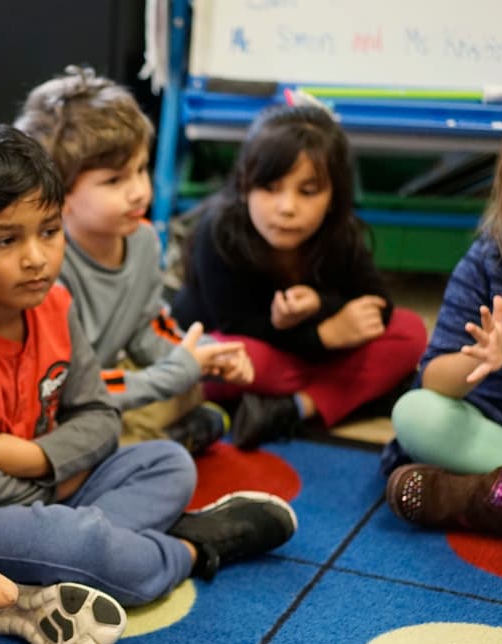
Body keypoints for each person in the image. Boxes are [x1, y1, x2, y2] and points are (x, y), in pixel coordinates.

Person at [0, 124, 298, 644]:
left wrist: (39, 459)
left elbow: (99, 417)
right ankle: (192, 544)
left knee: (169, 462)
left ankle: (72, 558)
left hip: (42, 491)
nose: (36, 258)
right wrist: (61, 501)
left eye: (49, 232)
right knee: (80, 546)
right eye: (6, 240)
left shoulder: (54, 302)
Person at [15, 66, 253, 455]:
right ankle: (174, 441)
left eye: (141, 169)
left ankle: (170, 438)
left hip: (104, 388)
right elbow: (69, 388)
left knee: (187, 385)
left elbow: (148, 328)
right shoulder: (44, 268)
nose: (139, 191)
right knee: (95, 434)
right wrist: (176, 372)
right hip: (58, 403)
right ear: (57, 192)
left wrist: (203, 352)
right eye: (114, 181)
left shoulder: (142, 240)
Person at [171, 104, 428, 449]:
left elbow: (376, 304)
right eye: (271, 188)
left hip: (298, 358)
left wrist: (322, 306)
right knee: (219, 355)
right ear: (246, 184)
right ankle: (352, 393)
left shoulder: (340, 233)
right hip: (250, 352)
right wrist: (323, 335)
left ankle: (294, 407)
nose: (287, 207)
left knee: (409, 332)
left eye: (307, 192)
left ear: (333, 196)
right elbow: (236, 326)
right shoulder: (218, 232)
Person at [383, 104, 502, 536]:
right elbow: (433, 381)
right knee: (413, 413)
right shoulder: (488, 263)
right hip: (488, 431)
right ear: (501, 201)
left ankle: (467, 498)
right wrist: (476, 362)